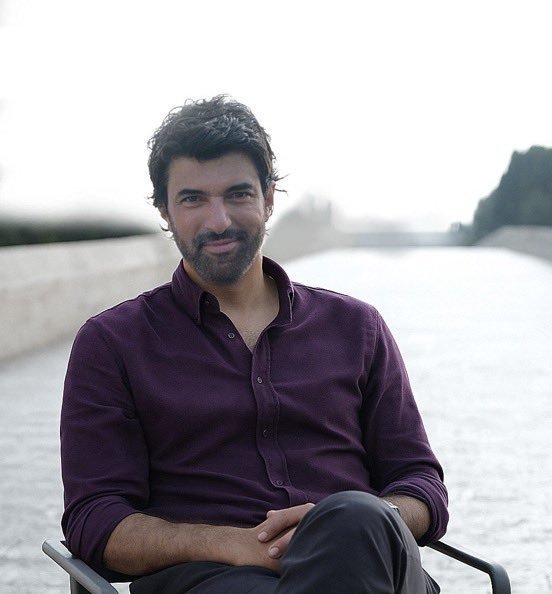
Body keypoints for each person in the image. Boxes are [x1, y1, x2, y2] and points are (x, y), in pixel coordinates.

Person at [61, 95, 448, 594]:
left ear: (268, 198)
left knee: (354, 518)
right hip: (214, 581)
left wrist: (363, 523)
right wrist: (235, 545)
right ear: (164, 211)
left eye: (238, 194)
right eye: (193, 199)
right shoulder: (112, 344)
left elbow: (421, 486)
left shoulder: (358, 327)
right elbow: (95, 520)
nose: (218, 221)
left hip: (371, 564)